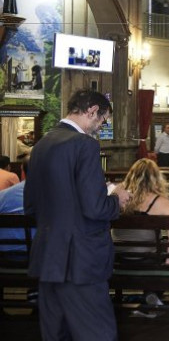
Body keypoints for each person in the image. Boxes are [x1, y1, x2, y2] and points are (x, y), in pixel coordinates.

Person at [23, 89, 131, 341]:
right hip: (81, 260)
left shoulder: (41, 145)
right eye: (103, 120)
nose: (101, 126)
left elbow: (31, 204)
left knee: (57, 334)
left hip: (49, 258)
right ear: (92, 111)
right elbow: (95, 209)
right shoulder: (85, 145)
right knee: (98, 333)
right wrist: (117, 199)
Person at [111, 158, 169, 264]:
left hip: (116, 259)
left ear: (131, 175)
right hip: (147, 260)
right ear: (156, 178)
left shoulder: (118, 195)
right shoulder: (162, 203)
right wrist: (168, 267)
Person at [0, 161, 31, 252]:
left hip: (5, 255)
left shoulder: (3, 195)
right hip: (40, 257)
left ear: (23, 172)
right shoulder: (56, 197)